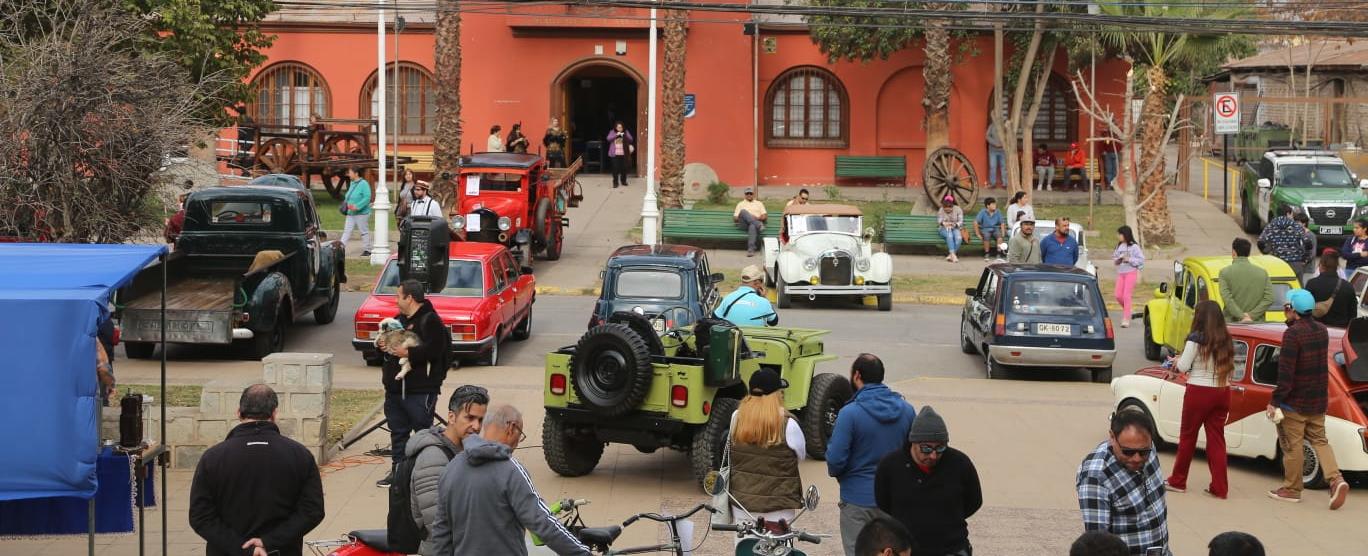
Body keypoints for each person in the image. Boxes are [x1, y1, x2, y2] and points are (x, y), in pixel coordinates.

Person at [428, 404, 591, 556]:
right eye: (520, 435)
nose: (517, 443)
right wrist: (583, 553)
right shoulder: (511, 470)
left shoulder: (452, 468)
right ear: (512, 428)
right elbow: (543, 523)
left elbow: (441, 533)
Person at [189, 385, 325, 556]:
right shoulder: (300, 455)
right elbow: (312, 511)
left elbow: (200, 516)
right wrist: (269, 542)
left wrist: (242, 548)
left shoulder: (213, 458)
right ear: (274, 414)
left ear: (239, 413)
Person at [1267, 288, 1350, 509]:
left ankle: (1292, 489)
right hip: (1318, 400)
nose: (1285, 311)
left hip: (1294, 402)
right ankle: (1336, 479)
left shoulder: (1292, 335)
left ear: (1292, 309)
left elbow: (1286, 374)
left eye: (1286, 307)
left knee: (1292, 445)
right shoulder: (1322, 330)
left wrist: (1274, 401)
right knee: (1320, 441)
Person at [826, 354, 916, 556]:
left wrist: (846, 478)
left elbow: (835, 461)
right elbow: (913, 456)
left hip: (856, 498)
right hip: (894, 498)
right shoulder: (907, 411)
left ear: (857, 375)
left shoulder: (849, 413)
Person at [375, 279, 454, 488]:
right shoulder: (397, 320)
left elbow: (436, 350)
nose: (395, 300)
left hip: (420, 391)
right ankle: (398, 473)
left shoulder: (430, 320)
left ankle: (423, 474)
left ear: (409, 298)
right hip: (395, 390)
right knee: (398, 433)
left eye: (398, 296)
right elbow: (386, 346)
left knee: (422, 434)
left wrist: (409, 353)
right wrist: (381, 346)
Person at [875, 407, 981, 556]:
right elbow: (883, 502)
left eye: (940, 448)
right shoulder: (890, 466)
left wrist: (949, 519)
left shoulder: (960, 463)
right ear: (913, 442)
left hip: (951, 548)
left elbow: (974, 501)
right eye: (926, 449)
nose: (933, 455)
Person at [399, 385, 489, 556]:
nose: (476, 426)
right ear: (451, 417)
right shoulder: (433, 459)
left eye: (480, 420)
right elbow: (436, 524)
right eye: (469, 418)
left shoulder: (464, 450)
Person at [1076, 407, 1169, 556]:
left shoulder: (1149, 449)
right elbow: (1098, 547)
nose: (1137, 458)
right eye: (1128, 452)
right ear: (1112, 437)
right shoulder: (1095, 478)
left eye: (1143, 452)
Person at [1164, 300, 1233, 499]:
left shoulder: (1195, 339)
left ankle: (1178, 480)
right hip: (1222, 390)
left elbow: (1183, 367)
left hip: (1199, 391)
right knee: (1217, 439)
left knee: (1188, 436)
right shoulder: (1226, 338)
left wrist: (1176, 361)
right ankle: (1220, 488)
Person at [727, 368, 807, 527]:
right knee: (779, 544)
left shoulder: (736, 417)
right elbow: (800, 456)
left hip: (742, 506)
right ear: (777, 394)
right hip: (779, 509)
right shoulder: (788, 424)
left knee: (745, 542)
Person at [1218, 238, 1274, 323]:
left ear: (1233, 252)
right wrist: (1251, 315)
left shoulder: (1224, 272)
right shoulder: (1263, 272)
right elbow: (1269, 298)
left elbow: (1227, 299)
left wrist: (1242, 316)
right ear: (1248, 253)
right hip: (1257, 324)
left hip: (1232, 323)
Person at [714, 265, 778, 327]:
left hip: (733, 334)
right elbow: (773, 322)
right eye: (761, 281)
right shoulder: (764, 302)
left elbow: (715, 318)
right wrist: (765, 298)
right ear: (757, 282)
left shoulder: (728, 298)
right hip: (754, 334)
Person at [1305, 249, 1356, 328]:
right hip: (1340, 330)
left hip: (1316, 329)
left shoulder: (1312, 284)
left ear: (1321, 265)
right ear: (1337, 267)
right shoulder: (1348, 286)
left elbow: (1304, 310)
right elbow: (1353, 315)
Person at [1258, 204, 1309, 279]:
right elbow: (1308, 243)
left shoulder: (1270, 226)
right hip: (1295, 263)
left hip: (1277, 262)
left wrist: (1266, 253)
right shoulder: (1296, 226)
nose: (1292, 217)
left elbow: (1260, 242)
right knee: (1296, 285)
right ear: (1288, 213)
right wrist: (1304, 258)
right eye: (1292, 214)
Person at [1112, 226, 1145, 328]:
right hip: (1121, 273)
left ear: (1126, 234)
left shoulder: (1134, 247)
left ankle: (1126, 319)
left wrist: (1129, 259)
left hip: (1131, 273)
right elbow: (1114, 258)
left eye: (1120, 234)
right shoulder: (1119, 246)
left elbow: (1141, 260)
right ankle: (1128, 310)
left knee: (1126, 295)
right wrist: (1118, 260)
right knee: (1118, 295)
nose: (1118, 236)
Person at [340, 166, 373, 257]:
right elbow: (349, 195)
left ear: (356, 174)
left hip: (361, 213)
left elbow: (367, 197)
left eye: (350, 172)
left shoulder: (364, 184)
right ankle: (340, 249)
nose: (349, 174)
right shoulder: (352, 183)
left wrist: (357, 206)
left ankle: (367, 250)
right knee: (347, 231)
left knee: (364, 231)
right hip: (351, 213)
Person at [733, 187, 767, 257]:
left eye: (750, 193)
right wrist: (747, 216)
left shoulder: (759, 203)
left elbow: (765, 216)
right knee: (743, 211)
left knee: (752, 226)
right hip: (744, 224)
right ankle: (758, 225)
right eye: (747, 193)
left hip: (754, 224)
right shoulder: (740, 204)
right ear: (745, 195)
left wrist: (757, 218)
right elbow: (735, 218)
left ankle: (751, 250)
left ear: (753, 194)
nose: (749, 195)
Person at [936, 195, 965, 263]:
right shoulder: (941, 210)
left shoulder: (958, 209)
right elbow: (939, 220)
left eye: (949, 209)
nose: (948, 210)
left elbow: (961, 221)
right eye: (946, 209)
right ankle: (953, 255)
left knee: (959, 238)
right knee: (950, 235)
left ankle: (951, 255)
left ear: (952, 206)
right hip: (943, 228)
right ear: (943, 207)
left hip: (955, 228)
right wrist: (944, 223)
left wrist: (955, 225)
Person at [607, 122, 634, 188]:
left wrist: (625, 135)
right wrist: (616, 135)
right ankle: (615, 183)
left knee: (624, 168)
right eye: (618, 127)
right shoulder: (612, 132)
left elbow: (631, 139)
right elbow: (608, 139)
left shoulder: (626, 132)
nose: (620, 128)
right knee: (615, 169)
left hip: (624, 154)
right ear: (616, 127)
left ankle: (623, 181)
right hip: (615, 154)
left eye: (621, 127)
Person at [1293, 213, 1316, 281]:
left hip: (1307, 270)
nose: (1295, 224)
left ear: (1304, 223)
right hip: (1297, 269)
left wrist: (1304, 262)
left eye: (1297, 222)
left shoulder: (1310, 235)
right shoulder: (1295, 234)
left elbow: (1312, 253)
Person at [985, 122, 1005, 189]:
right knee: (993, 166)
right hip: (993, 150)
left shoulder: (1004, 126)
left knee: (1004, 167)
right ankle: (992, 183)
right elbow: (987, 136)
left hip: (1003, 150)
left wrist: (1003, 143)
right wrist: (995, 143)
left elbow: (1008, 136)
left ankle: (1005, 183)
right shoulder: (992, 126)